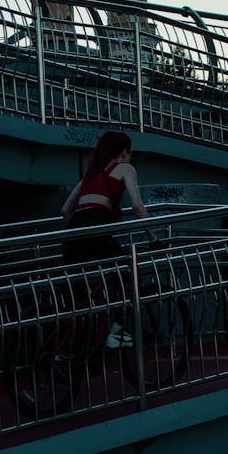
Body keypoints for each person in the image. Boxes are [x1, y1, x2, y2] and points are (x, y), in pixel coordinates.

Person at [59, 130, 160, 348]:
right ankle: (116, 331)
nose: (131, 157)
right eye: (130, 153)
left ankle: (66, 350)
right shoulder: (125, 168)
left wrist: (75, 233)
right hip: (96, 227)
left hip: (73, 232)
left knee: (78, 299)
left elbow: (66, 210)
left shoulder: (91, 175)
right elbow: (137, 206)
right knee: (128, 273)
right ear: (124, 152)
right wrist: (154, 239)